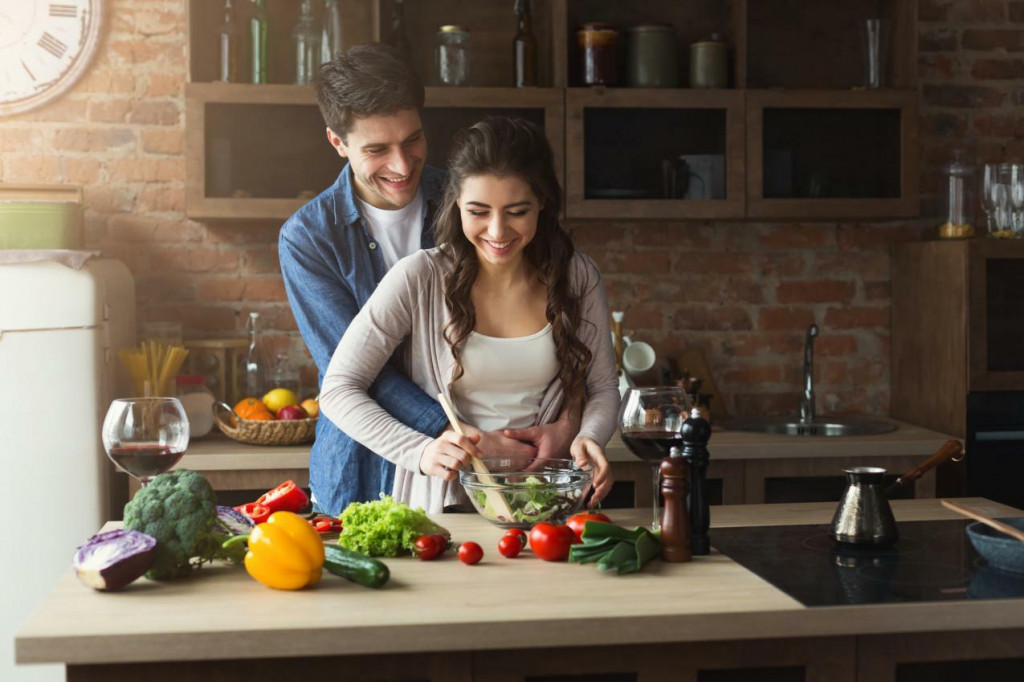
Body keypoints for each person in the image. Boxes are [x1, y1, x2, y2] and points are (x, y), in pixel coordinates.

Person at [279, 45, 578, 516]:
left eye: (413, 140)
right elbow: (354, 371)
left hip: (485, 475)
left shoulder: (468, 196)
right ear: (337, 142)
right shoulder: (308, 237)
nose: (402, 166)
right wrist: (459, 433)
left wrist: (566, 424)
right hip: (364, 465)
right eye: (377, 150)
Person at [318, 117, 618, 513]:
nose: (497, 231)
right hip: (445, 508)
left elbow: (604, 389)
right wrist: (422, 452)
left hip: (549, 504)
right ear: (456, 200)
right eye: (478, 211)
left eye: (516, 211)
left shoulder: (577, 276)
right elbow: (339, 389)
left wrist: (588, 437)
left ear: (542, 203)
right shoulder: (419, 277)